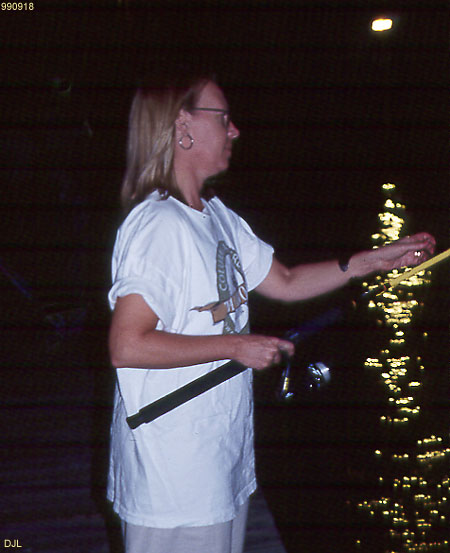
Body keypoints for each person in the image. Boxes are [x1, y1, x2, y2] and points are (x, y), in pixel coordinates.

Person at [107, 73, 435, 553]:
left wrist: (369, 262)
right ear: (183, 126)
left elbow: (284, 281)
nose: (235, 130)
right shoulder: (159, 226)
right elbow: (127, 344)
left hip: (218, 460)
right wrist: (235, 345)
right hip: (172, 477)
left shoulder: (215, 216)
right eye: (223, 117)